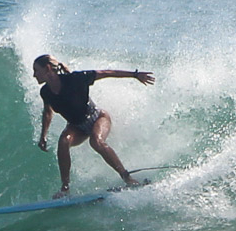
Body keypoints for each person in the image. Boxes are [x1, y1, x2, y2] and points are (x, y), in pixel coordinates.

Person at [32, 54, 155, 198]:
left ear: (47, 69)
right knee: (64, 141)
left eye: (36, 70)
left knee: (96, 142)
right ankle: (65, 189)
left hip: (97, 117)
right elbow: (48, 112)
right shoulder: (45, 92)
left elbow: (106, 73)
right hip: (77, 126)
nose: (34, 75)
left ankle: (127, 178)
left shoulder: (75, 79)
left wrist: (135, 75)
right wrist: (43, 135)